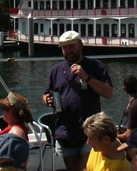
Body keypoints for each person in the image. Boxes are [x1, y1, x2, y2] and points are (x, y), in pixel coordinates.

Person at [42, 30, 114, 171]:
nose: (69, 50)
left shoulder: (95, 66)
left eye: (72, 46)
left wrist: (86, 76)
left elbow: (109, 93)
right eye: (65, 47)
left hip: (90, 133)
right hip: (65, 131)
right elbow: (46, 93)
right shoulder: (55, 70)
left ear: (81, 45)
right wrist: (47, 99)